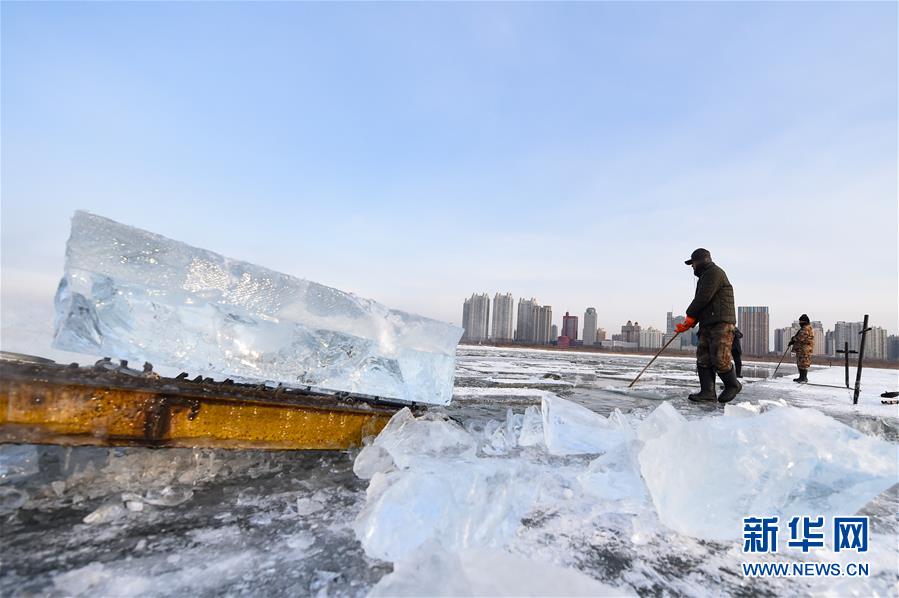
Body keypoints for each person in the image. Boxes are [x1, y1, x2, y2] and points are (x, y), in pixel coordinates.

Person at [675, 248, 741, 403]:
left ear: (702, 260)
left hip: (721, 323)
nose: (692, 266)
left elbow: (704, 297)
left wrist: (690, 314)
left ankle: (732, 385)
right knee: (703, 358)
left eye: (693, 263)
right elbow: (704, 303)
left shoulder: (714, 272)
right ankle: (707, 392)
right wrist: (690, 322)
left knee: (719, 357)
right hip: (707, 323)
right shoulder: (704, 277)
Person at [789, 314, 814, 384]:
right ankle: (802, 377)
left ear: (804, 321)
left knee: (803, 363)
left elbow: (800, 337)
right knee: (802, 363)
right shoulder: (807, 328)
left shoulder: (805, 328)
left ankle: (803, 377)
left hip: (804, 349)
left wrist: (793, 340)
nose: (800, 323)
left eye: (800, 322)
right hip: (804, 349)